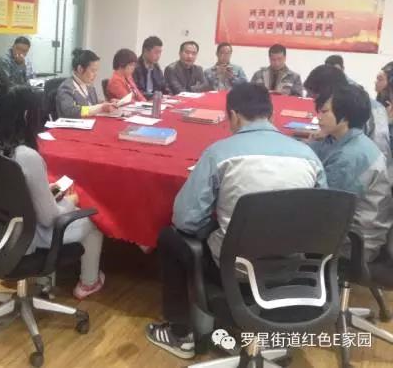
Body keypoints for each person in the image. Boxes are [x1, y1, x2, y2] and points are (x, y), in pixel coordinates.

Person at [146, 83, 326, 360]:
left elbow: (185, 220)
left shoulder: (219, 153)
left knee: (170, 237)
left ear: (233, 115)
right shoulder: (309, 156)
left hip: (236, 269)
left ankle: (180, 334)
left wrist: (212, 226)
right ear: (271, 114)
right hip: (295, 271)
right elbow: (323, 218)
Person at [0, 86, 105, 299]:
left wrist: (45, 192)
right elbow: (48, 218)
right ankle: (89, 282)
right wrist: (71, 200)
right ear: (27, 116)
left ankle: (46, 281)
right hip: (21, 238)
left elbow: (8, 191)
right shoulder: (26, 156)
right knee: (93, 223)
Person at [310, 85, 393, 262]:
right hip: (352, 230)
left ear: (345, 117)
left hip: (355, 244)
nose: (319, 117)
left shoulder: (351, 157)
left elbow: (325, 207)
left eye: (324, 112)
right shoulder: (348, 140)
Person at [304, 65, 391, 166]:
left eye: (317, 97)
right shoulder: (339, 104)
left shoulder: (374, 110)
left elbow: (381, 153)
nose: (317, 103)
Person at [56, 50, 116, 118]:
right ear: (80, 69)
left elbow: (93, 104)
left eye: (96, 71)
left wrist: (108, 103)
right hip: (75, 123)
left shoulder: (89, 86)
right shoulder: (66, 87)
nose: (95, 74)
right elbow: (71, 111)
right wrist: (100, 108)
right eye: (93, 70)